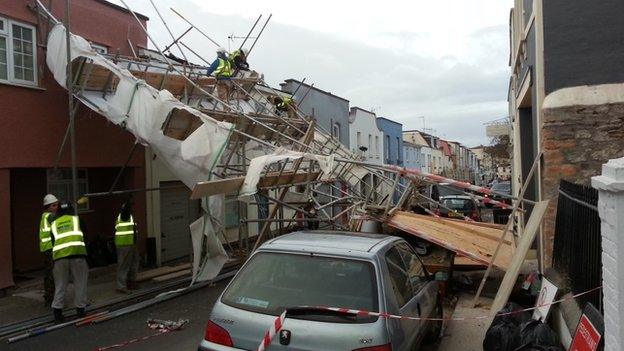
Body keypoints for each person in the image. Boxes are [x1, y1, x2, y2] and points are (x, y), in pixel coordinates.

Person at [49, 203, 88, 322]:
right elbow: (85, 235)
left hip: (60, 258)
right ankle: (80, 312)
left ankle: (57, 313)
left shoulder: (54, 224)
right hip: (77, 255)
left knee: (60, 285)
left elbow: (53, 241)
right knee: (80, 283)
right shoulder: (77, 220)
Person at [114, 198, 139, 294]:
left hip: (126, 243)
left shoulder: (120, 217)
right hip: (126, 243)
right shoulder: (126, 216)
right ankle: (121, 286)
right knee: (124, 265)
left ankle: (130, 282)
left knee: (132, 262)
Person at [40, 194, 59, 306]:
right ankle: (51, 298)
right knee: (52, 274)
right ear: (48, 207)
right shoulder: (49, 216)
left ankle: (49, 297)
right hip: (49, 248)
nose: (56, 207)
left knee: (49, 273)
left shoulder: (45, 216)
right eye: (54, 205)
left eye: (57, 205)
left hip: (47, 248)